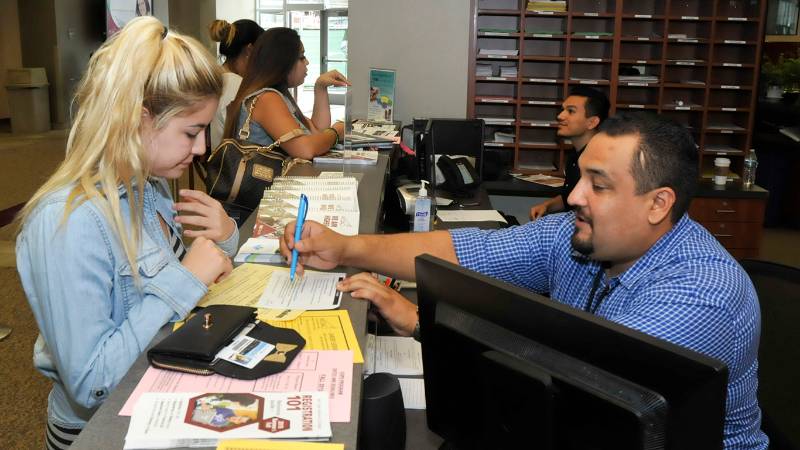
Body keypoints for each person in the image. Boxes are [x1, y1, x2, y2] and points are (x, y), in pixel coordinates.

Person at [280, 113, 768, 449]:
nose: (573, 196)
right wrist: (345, 247)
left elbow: (580, 385)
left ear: (658, 204)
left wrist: (421, 323)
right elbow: (463, 251)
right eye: (578, 178)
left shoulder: (705, 293)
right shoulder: (576, 235)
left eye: (598, 186)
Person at [15, 17, 236, 449]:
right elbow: (92, 382)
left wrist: (223, 237)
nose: (202, 149)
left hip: (156, 397)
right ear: (139, 121)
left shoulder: (148, 187)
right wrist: (188, 277)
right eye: (191, 132)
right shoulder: (68, 222)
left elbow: (165, 290)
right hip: (102, 430)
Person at [221, 27, 350, 224]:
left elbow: (316, 131)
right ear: (282, 61)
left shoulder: (279, 95)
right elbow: (305, 148)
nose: (307, 62)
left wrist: (320, 88)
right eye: (301, 57)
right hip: (255, 208)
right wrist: (337, 132)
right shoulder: (267, 98)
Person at [530, 86, 610, 220]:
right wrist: (547, 205)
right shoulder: (575, 157)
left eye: (571, 111)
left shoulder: (602, 162)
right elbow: (569, 197)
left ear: (592, 122)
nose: (560, 116)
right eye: (563, 110)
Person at [208, 19, 264, 149]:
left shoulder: (218, 77)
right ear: (250, 50)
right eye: (260, 53)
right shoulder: (236, 86)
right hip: (234, 165)